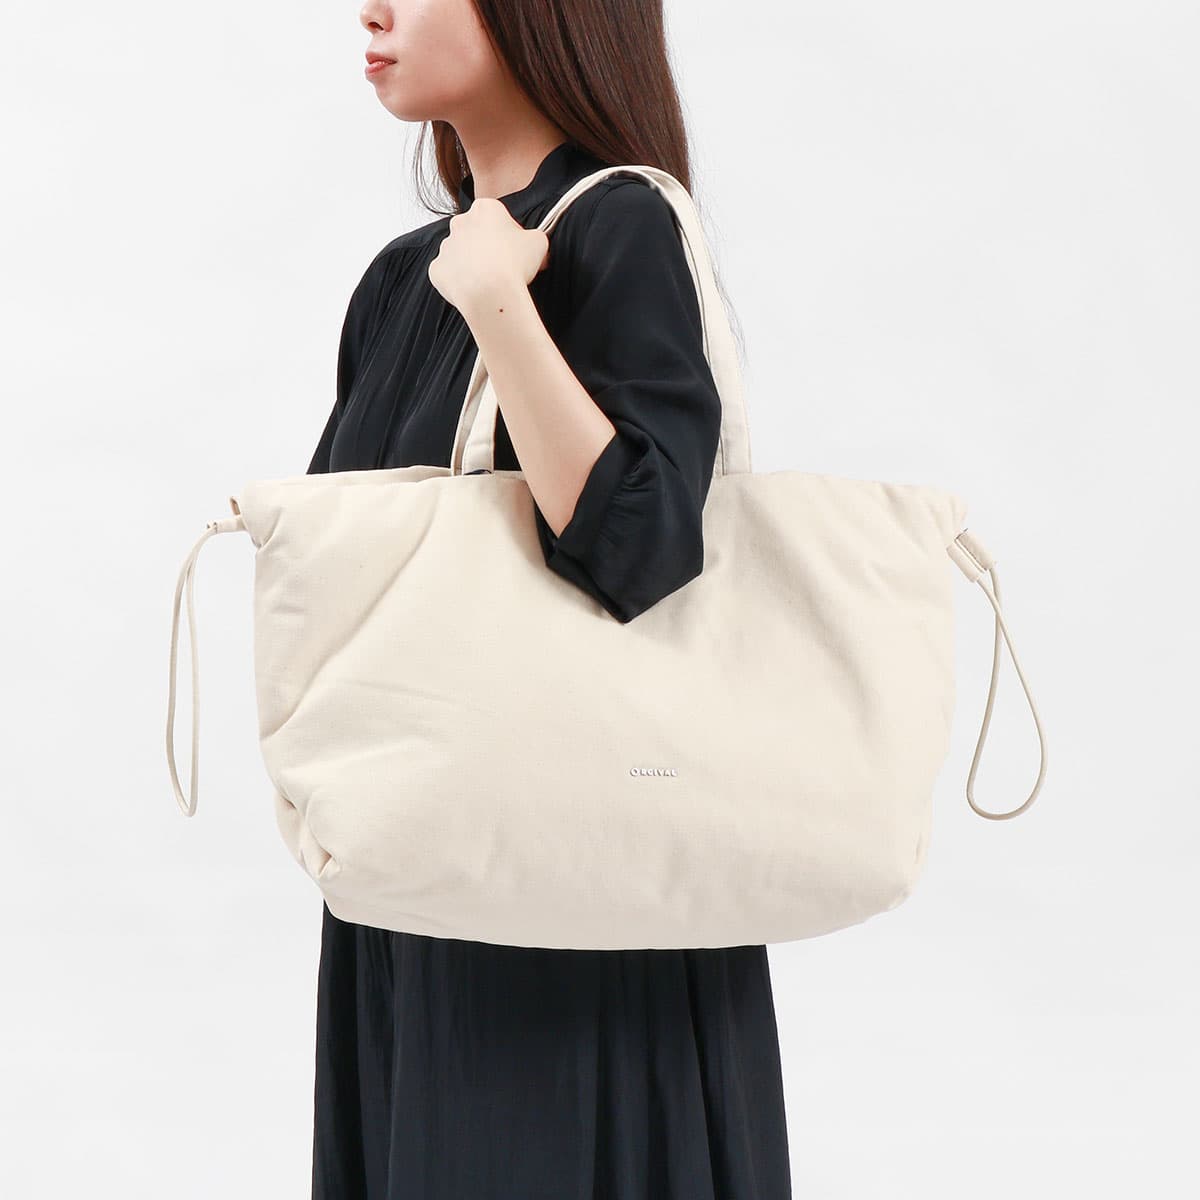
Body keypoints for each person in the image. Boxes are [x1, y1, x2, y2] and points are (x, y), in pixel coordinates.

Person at [306, 2, 793, 1196]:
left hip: (581, 894)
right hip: (421, 874)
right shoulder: (398, 284)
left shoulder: (622, 225)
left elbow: (640, 549)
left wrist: (501, 308)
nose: (372, 9)